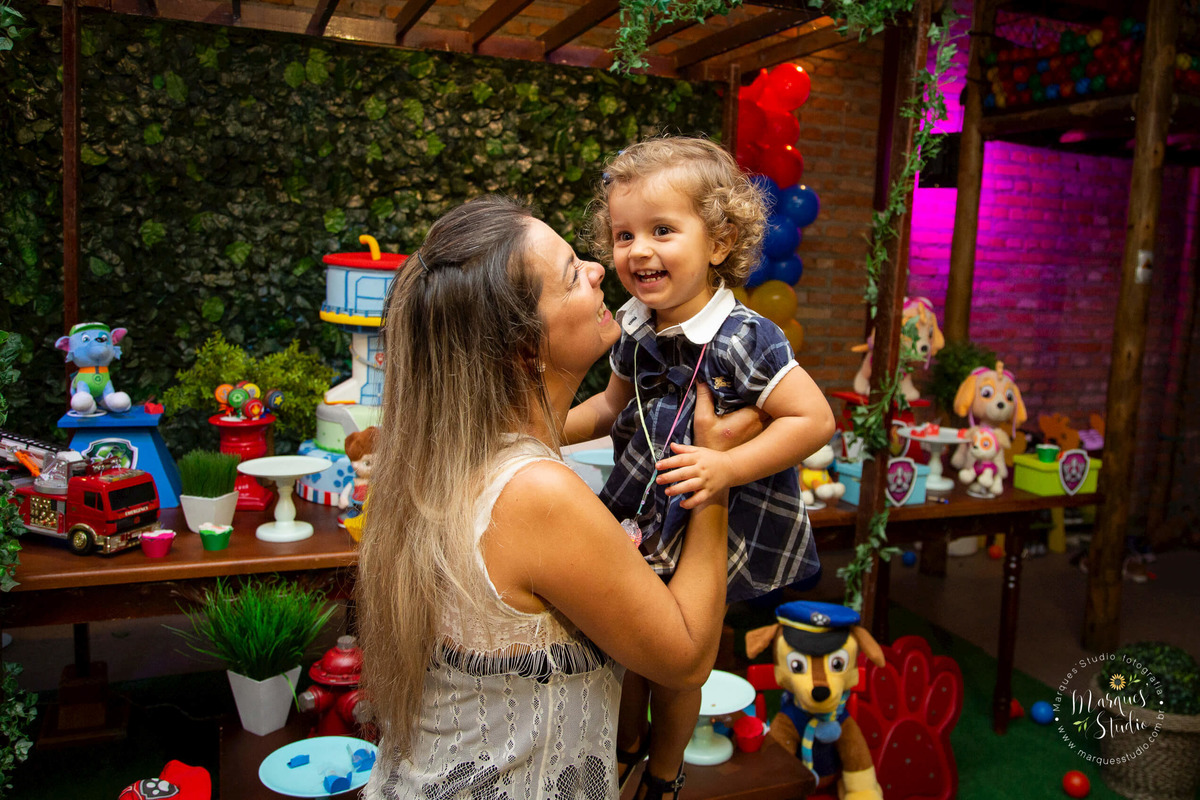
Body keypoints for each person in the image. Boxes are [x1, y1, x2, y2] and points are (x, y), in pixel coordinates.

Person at [357, 196, 760, 800]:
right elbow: (685, 659)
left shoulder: (450, 460)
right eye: (573, 274)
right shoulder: (535, 493)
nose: (600, 269)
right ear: (525, 348)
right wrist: (715, 472)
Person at [564, 137, 836, 798]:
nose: (639, 250)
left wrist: (727, 467)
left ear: (718, 241)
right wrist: (529, 432)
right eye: (624, 234)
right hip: (642, 512)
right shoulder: (633, 325)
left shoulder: (745, 336)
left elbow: (814, 420)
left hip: (714, 518)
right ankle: (627, 748)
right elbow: (607, 407)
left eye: (663, 230)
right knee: (628, 643)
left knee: (684, 664)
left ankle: (664, 770)